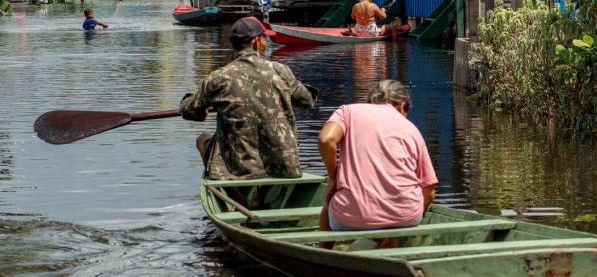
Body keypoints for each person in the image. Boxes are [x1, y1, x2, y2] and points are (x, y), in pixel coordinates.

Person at [181, 16, 317, 186]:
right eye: (264, 38)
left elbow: (188, 110)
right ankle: (259, 197)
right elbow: (307, 100)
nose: (266, 42)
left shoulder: (220, 77)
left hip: (239, 171)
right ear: (255, 42)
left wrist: (201, 109)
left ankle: (238, 198)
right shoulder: (280, 71)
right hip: (286, 167)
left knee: (202, 139)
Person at [317, 80, 437, 249]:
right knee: (398, 213)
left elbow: (326, 140)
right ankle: (391, 240)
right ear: (402, 106)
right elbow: (430, 192)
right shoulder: (412, 129)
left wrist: (333, 177)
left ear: (371, 101)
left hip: (350, 217)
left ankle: (324, 254)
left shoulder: (348, 111)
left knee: (327, 207)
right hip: (407, 217)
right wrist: (403, 218)